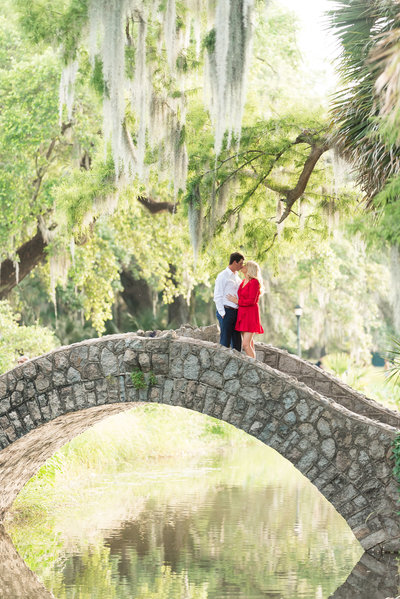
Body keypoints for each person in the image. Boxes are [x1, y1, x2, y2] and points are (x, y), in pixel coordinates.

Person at [227, 260, 264, 358]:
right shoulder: (243, 281)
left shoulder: (254, 282)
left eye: (245, 265)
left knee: (245, 345)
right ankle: (254, 364)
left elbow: (252, 301)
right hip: (242, 314)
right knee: (250, 343)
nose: (242, 266)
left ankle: (255, 367)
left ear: (250, 269)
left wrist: (236, 301)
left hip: (250, 314)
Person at [213, 252, 245, 351]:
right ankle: (221, 365)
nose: (242, 266)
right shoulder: (223, 276)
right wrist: (222, 313)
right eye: (240, 263)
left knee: (237, 343)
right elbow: (217, 295)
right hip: (226, 311)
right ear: (235, 262)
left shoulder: (237, 277)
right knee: (225, 342)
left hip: (236, 312)